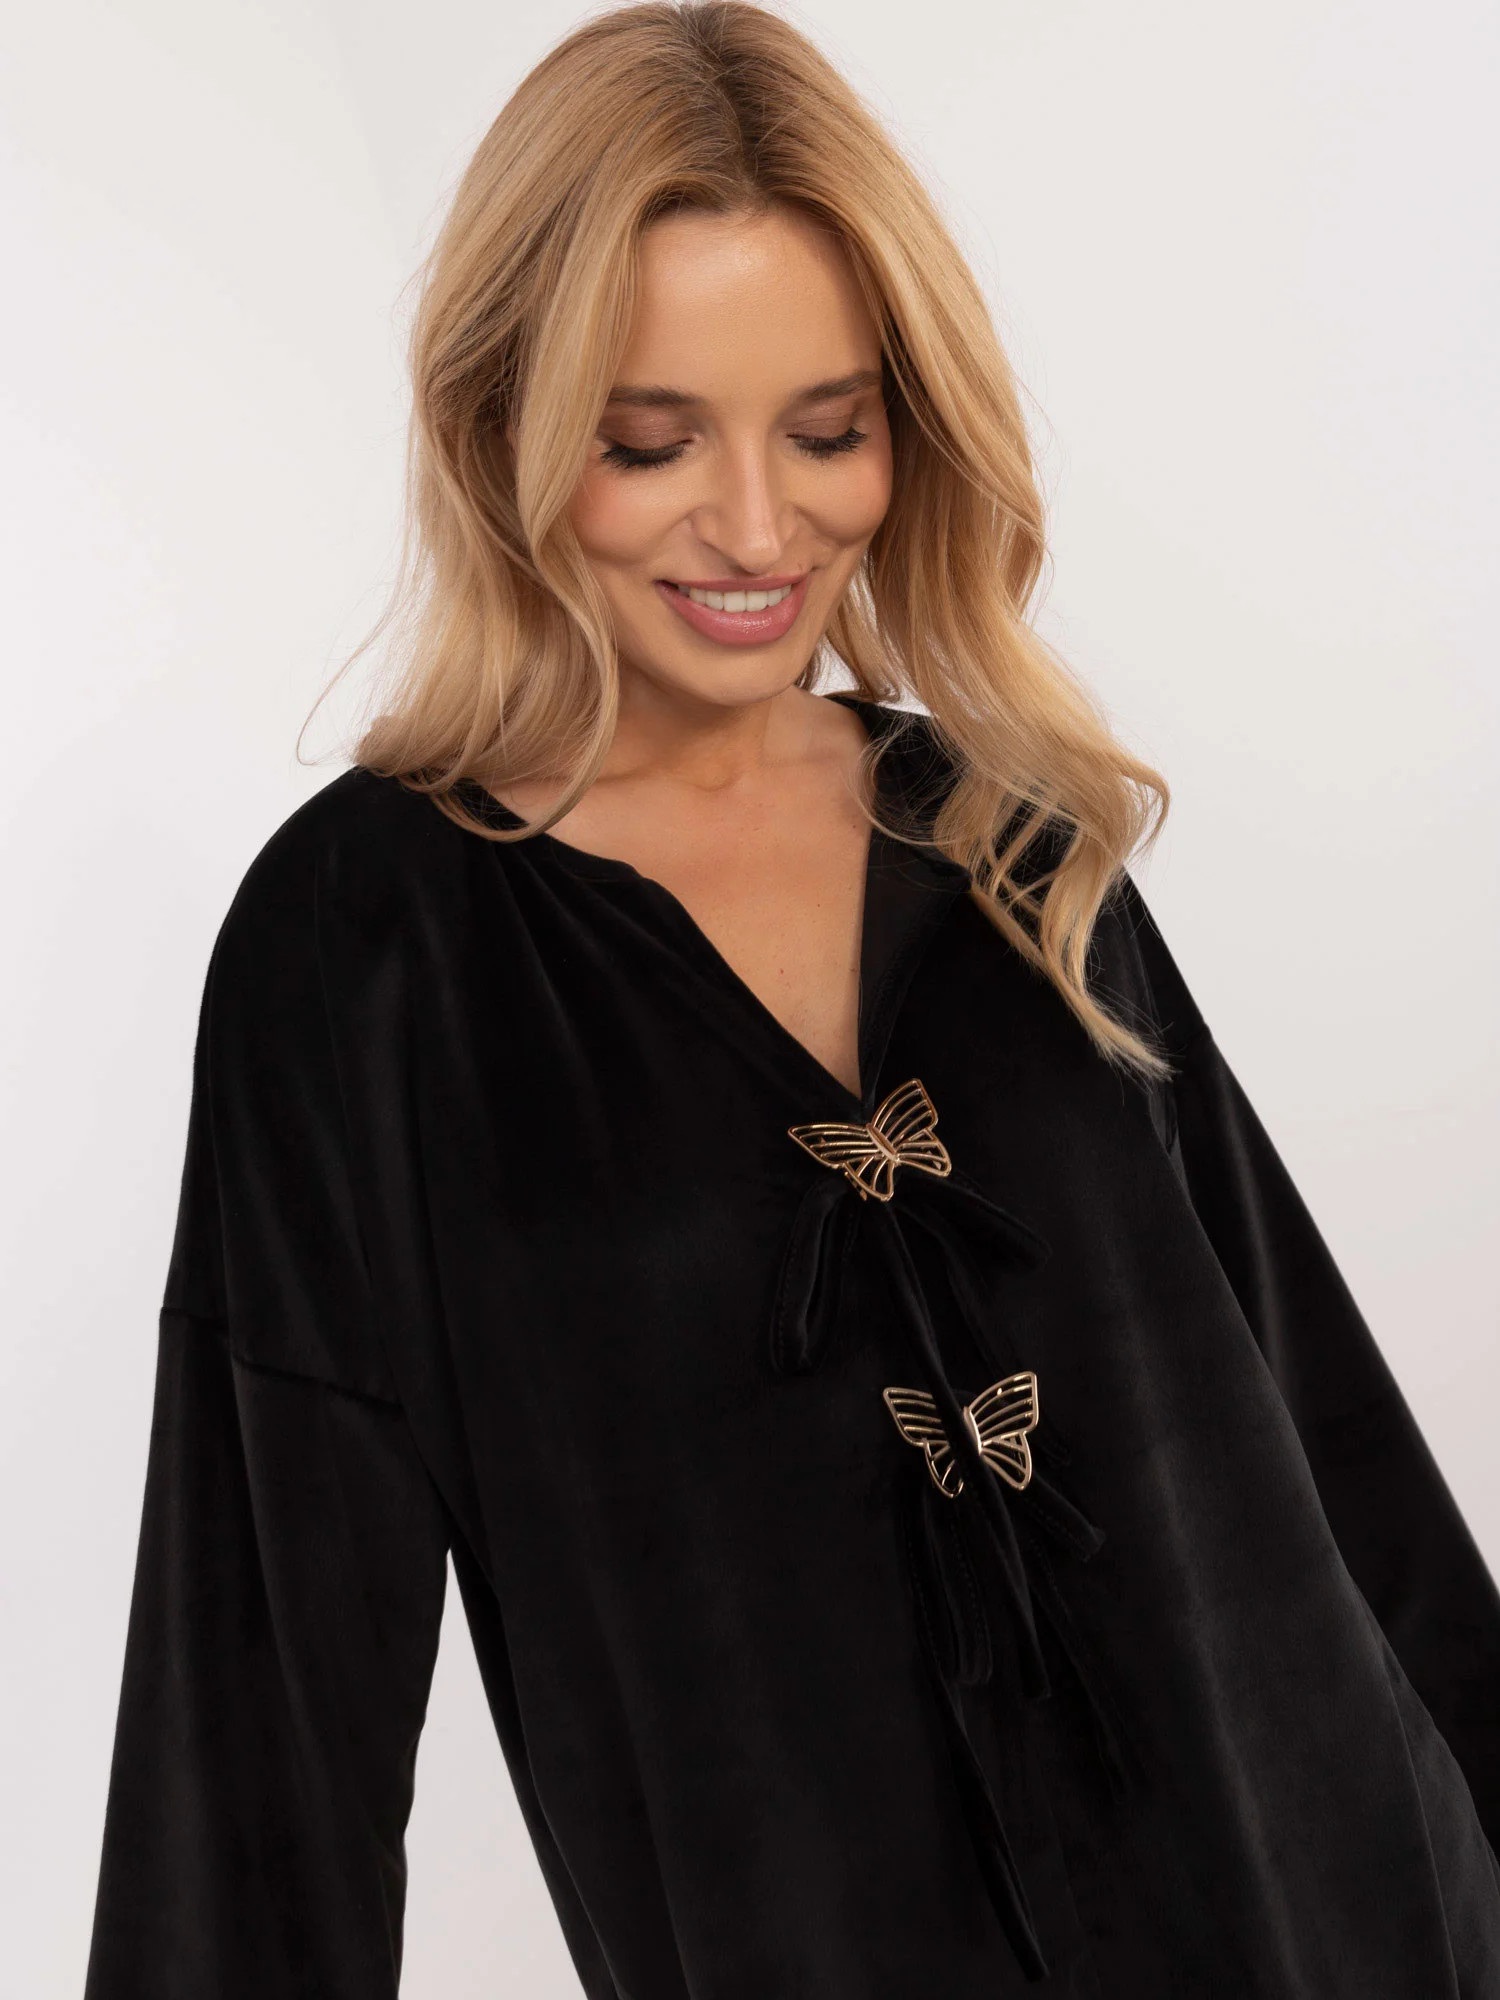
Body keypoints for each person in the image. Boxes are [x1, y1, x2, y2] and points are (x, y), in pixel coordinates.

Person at [82, 4, 1500, 1995]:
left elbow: (1324, 1439)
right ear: (502, 423)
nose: (759, 530)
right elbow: (261, 1712)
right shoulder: (368, 949)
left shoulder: (1001, 844)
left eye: (829, 432)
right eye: (648, 440)